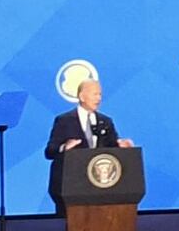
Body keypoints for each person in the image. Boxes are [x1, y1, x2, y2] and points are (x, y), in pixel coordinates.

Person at [46, 60, 128, 204]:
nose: (99, 98)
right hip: (71, 185)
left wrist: (122, 147)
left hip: (101, 188)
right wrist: (65, 148)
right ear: (82, 97)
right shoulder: (64, 120)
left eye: (100, 94)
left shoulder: (106, 121)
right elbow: (49, 152)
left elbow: (112, 151)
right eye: (95, 94)